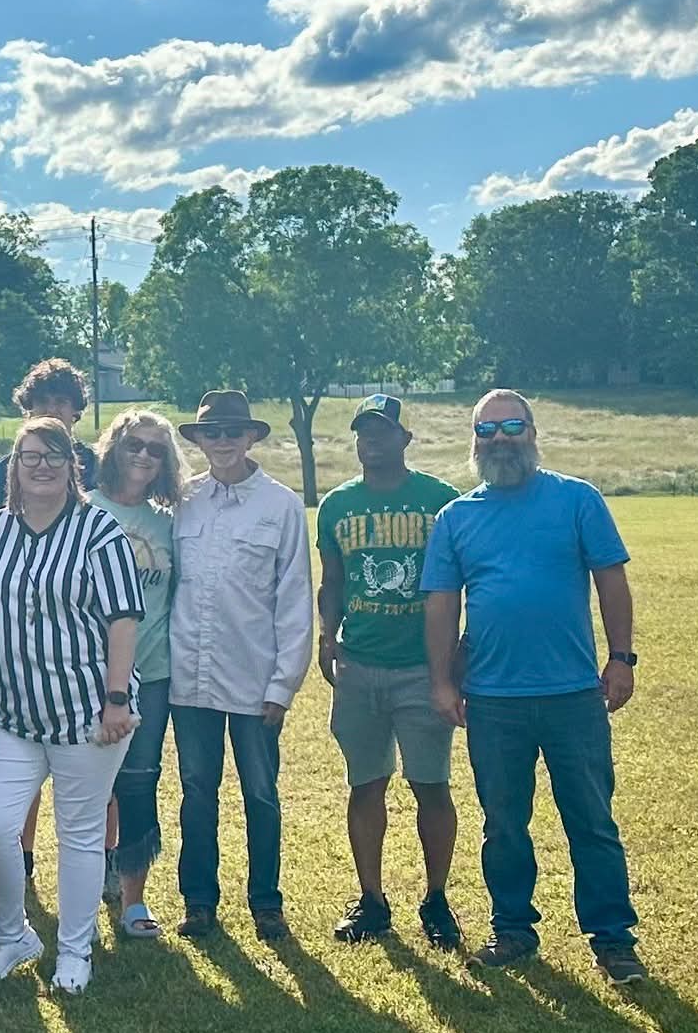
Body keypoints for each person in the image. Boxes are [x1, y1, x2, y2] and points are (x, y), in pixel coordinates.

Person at [421, 389, 645, 984]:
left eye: (511, 426)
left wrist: (621, 659)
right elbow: (442, 607)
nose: (500, 439)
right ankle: (513, 928)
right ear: (475, 441)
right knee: (503, 823)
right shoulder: (457, 518)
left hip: (574, 695)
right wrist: (442, 681)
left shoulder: (577, 500)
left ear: (532, 431)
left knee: (591, 820)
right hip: (493, 702)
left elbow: (612, 585)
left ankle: (613, 939)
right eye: (487, 430)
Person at [0, 417, 143, 994]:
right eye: (29, 455)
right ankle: (14, 937)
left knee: (79, 833)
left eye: (53, 455)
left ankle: (75, 950)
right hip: (11, 711)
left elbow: (123, 620)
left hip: (86, 710)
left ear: (72, 465)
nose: (41, 465)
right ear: (14, 464)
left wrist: (115, 699)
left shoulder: (99, 531)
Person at [317, 395, 464, 948]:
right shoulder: (338, 505)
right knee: (365, 784)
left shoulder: (442, 501)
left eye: (382, 431)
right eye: (363, 432)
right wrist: (328, 635)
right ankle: (373, 900)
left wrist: (458, 654)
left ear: (406, 438)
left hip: (423, 670)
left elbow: (469, 580)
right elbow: (333, 580)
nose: (371, 440)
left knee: (431, 785)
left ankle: (436, 898)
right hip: (361, 664)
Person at [169, 390, 312, 943]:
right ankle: (199, 902)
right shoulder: (182, 501)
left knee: (261, 794)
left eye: (233, 431)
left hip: (255, 680)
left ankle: (266, 902)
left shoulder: (280, 505)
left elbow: (295, 598)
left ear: (252, 436)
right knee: (196, 791)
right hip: (190, 678)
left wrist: (284, 684)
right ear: (199, 440)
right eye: (212, 432)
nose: (222, 441)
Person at [87, 410, 185, 942]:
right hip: (86, 674)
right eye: (133, 445)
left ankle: (133, 900)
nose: (144, 455)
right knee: (92, 786)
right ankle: (92, 874)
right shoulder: (84, 513)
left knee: (140, 784)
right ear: (113, 451)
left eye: (154, 448)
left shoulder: (168, 524)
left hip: (156, 674)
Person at [0, 358, 102, 514]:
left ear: (76, 409)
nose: (51, 410)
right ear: (29, 408)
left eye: (61, 401)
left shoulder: (98, 468)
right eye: (42, 401)